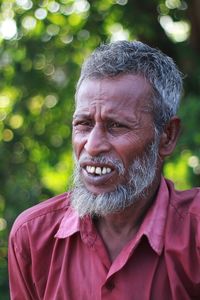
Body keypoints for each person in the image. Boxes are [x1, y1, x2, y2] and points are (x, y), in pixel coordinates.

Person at [8, 40, 200, 300]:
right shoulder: (33, 237)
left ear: (166, 137)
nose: (93, 145)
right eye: (84, 124)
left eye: (117, 126)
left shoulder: (194, 236)